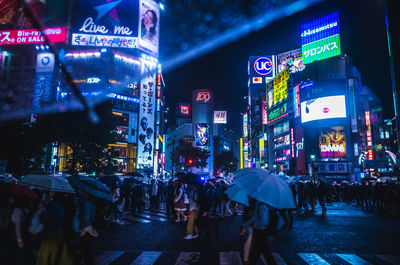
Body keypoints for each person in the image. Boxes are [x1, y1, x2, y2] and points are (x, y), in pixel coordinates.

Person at [36, 192, 72, 265]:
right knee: (56, 257)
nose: (50, 193)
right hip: (58, 234)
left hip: (51, 235)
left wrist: (41, 210)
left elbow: (43, 218)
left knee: (48, 257)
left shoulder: (54, 205)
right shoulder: (60, 205)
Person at [240, 198, 277, 265]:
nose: (249, 197)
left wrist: (253, 219)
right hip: (258, 231)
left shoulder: (262, 206)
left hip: (260, 231)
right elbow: (254, 218)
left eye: (250, 196)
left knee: (257, 251)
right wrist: (244, 225)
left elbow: (263, 221)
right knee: (263, 252)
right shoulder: (257, 205)